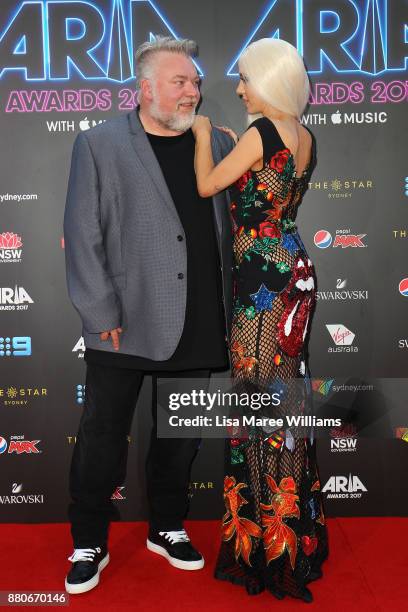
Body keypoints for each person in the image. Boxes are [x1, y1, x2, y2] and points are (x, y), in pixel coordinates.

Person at [63, 35, 235, 594]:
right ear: (145, 88)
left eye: (196, 82)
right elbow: (82, 233)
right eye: (180, 82)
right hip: (124, 319)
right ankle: (88, 539)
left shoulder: (217, 139)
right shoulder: (99, 144)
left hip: (201, 315)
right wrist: (97, 310)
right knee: (103, 437)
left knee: (180, 438)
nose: (193, 91)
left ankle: (167, 526)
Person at [191, 38, 329, 603]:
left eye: (245, 79)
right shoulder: (305, 136)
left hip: (262, 282)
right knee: (285, 396)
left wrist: (202, 135)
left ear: (268, 82)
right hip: (292, 268)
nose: (240, 89)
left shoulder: (262, 133)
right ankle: (294, 534)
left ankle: (265, 549)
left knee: (257, 399)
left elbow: (208, 186)